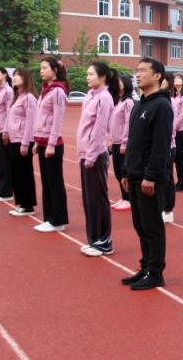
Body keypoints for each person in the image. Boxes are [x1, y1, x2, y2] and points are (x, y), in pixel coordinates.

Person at [120, 57, 173, 290]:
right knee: (140, 225)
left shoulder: (161, 105)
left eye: (143, 70)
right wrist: (125, 171)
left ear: (157, 75)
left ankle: (155, 271)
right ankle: (145, 266)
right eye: (137, 70)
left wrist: (150, 175)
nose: (138, 74)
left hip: (149, 177)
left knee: (152, 226)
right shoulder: (139, 104)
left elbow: (160, 145)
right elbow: (133, 141)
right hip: (134, 173)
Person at [77, 62, 118, 257]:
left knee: (98, 199)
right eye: (87, 74)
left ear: (102, 77)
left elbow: (100, 128)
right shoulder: (91, 96)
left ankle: (104, 242)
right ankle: (94, 239)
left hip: (95, 154)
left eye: (91, 74)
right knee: (89, 200)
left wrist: (91, 155)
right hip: (86, 153)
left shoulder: (104, 97)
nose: (87, 77)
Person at [32, 57, 70, 233]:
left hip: (51, 144)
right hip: (42, 141)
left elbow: (57, 120)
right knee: (46, 183)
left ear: (54, 70)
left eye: (45, 68)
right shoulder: (45, 90)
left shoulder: (58, 91)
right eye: (40, 68)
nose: (41, 71)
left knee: (55, 183)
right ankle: (49, 219)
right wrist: (36, 141)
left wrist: (51, 144)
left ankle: (58, 221)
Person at [6, 68, 38, 217]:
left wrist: (25, 144)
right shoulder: (17, 97)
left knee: (24, 173)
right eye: (14, 75)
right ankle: (22, 203)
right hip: (14, 139)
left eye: (18, 75)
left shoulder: (29, 98)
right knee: (16, 173)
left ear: (26, 78)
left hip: (23, 141)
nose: (15, 78)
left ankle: (28, 205)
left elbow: (31, 122)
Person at [110, 75, 135, 212]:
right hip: (115, 141)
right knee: (117, 172)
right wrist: (111, 139)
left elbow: (128, 123)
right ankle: (123, 197)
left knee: (124, 171)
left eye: (119, 82)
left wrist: (125, 142)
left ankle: (129, 198)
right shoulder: (117, 102)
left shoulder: (128, 103)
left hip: (122, 142)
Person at [0, 67, 14, 202]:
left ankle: (6, 192)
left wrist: (6, 131)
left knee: (4, 162)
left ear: (4, 74)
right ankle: (0, 189)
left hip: (3, 131)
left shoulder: (8, 91)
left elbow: (9, 112)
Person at [162, 73, 178, 223]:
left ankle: (168, 210)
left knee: (167, 178)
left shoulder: (170, 102)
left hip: (167, 145)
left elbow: (172, 125)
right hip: (157, 147)